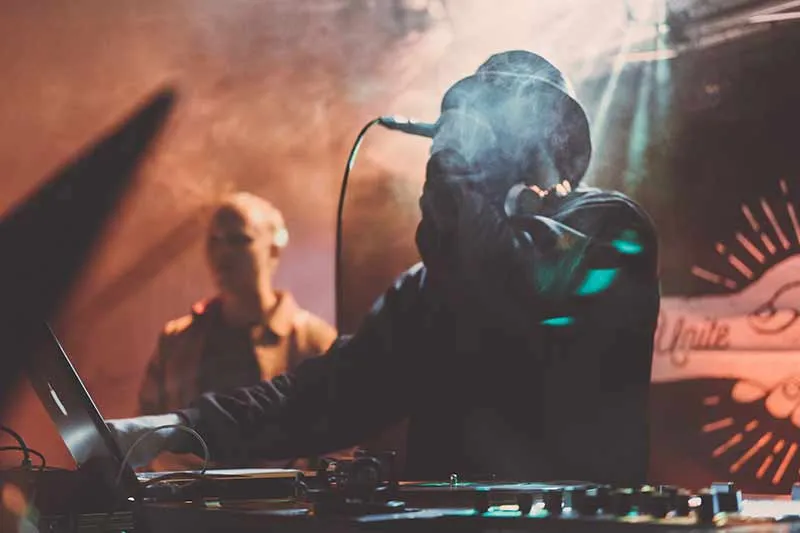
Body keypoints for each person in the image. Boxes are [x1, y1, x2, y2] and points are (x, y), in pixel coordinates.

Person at [109, 50, 660, 484]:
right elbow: (329, 395)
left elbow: (502, 284)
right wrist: (179, 427)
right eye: (471, 116)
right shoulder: (430, 286)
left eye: (495, 115)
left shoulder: (608, 229)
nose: (474, 132)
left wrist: (452, 167)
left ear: (553, 137)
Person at [137, 192, 338, 469]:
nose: (223, 252)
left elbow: (339, 444)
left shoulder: (314, 341)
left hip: (278, 506)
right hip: (186, 504)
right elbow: (145, 435)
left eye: (239, 239)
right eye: (214, 240)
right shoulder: (177, 339)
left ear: (274, 249)